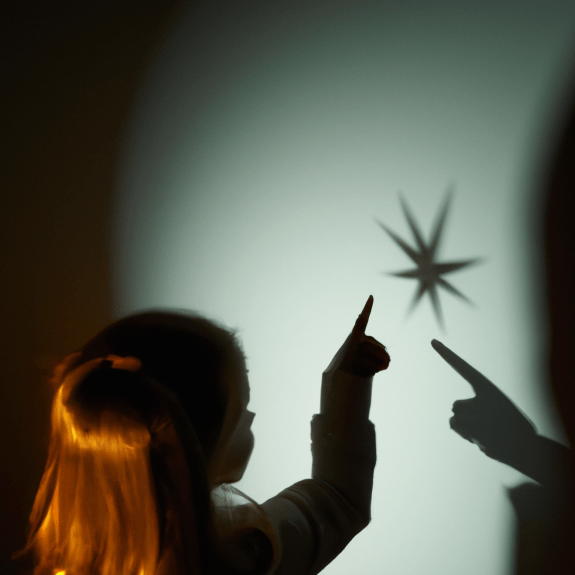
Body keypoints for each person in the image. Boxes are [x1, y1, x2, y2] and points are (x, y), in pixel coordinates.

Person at [20, 295, 390, 575]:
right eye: (242, 407)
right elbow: (338, 501)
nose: (251, 418)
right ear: (201, 439)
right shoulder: (248, 552)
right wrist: (347, 388)